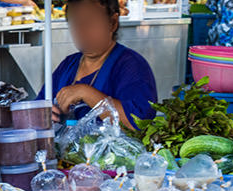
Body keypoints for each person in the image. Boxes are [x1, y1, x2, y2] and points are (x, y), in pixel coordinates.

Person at [43, 0, 157, 130]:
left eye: (90, 22)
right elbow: (38, 105)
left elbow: (138, 124)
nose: (81, 30)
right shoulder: (68, 65)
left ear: (113, 23)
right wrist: (44, 113)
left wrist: (86, 93)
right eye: (75, 23)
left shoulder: (132, 66)